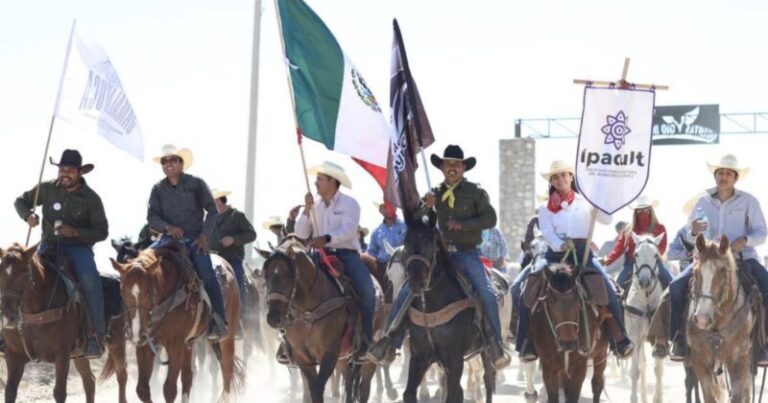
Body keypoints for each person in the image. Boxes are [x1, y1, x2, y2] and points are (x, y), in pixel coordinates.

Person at [366, 144, 510, 370]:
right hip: (438, 256)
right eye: (447, 164)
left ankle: (495, 345)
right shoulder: (435, 193)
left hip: (466, 253)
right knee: (407, 289)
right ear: (442, 167)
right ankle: (390, 341)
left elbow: (490, 218)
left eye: (456, 164)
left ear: (463, 168)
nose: (452, 167)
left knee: (486, 291)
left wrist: (462, 225)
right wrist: (426, 206)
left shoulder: (476, 192)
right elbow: (415, 218)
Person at [514, 160, 634, 361]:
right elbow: (548, 234)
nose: (560, 180)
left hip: (583, 253)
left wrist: (600, 203)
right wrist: (561, 245)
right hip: (554, 255)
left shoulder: (586, 201)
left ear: (571, 177)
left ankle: (619, 339)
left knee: (609, 289)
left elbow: (606, 220)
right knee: (528, 287)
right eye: (555, 177)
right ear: (551, 181)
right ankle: (526, 342)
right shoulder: (544, 208)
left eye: (564, 175)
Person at [664, 154, 768, 364]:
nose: (724, 177)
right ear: (715, 176)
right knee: (675, 287)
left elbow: (762, 232)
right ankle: (678, 339)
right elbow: (691, 231)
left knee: (766, 285)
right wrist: (693, 231)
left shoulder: (749, 201)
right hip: (707, 261)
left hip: (742, 258)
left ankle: (763, 342)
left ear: (735, 178)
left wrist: (745, 240)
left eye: (728, 173)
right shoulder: (702, 200)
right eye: (720, 173)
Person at [9, 149, 108, 358]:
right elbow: (20, 201)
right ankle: (8, 332)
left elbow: (102, 232)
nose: (64, 174)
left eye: (69, 170)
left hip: (78, 249)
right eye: (61, 169)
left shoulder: (92, 199)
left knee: (90, 280)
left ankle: (95, 336)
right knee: (16, 275)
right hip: (47, 247)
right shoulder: (46, 189)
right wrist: (28, 215)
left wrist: (76, 232)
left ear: (80, 172)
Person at [293, 161, 376, 359]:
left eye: (320, 179)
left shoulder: (350, 204)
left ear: (333, 181)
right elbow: (301, 232)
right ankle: (290, 340)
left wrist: (327, 238)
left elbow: (348, 231)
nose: (315, 183)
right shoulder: (316, 207)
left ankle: (365, 340)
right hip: (319, 255)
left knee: (367, 290)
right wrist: (306, 210)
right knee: (292, 285)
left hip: (345, 255)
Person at [147, 144, 228, 341]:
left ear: (181, 163)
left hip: (194, 241)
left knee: (207, 275)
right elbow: (152, 216)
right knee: (144, 264)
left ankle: (218, 320)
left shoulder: (196, 184)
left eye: (173, 160)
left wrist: (203, 236)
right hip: (167, 241)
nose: (168, 164)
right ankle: (140, 321)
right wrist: (167, 228)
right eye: (164, 161)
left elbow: (212, 211)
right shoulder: (158, 189)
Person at [601, 196, 673, 289]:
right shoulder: (628, 230)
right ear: (635, 212)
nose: (642, 213)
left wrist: (649, 254)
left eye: (645, 210)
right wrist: (607, 260)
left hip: (655, 263)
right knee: (617, 287)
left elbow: (662, 249)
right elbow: (619, 249)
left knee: (672, 285)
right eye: (639, 211)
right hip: (632, 263)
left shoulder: (660, 228)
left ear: (650, 210)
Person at [209, 189, 257, 325]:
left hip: (231, 259)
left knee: (236, 281)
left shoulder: (237, 216)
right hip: (212, 260)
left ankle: (241, 318)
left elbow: (251, 234)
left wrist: (233, 239)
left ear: (218, 201)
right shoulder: (210, 219)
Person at [366, 202, 406, 274]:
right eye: (385, 207)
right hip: (383, 269)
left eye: (391, 205)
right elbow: (371, 253)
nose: (389, 209)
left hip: (404, 266)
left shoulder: (406, 226)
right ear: (381, 210)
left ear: (395, 208)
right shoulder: (376, 232)